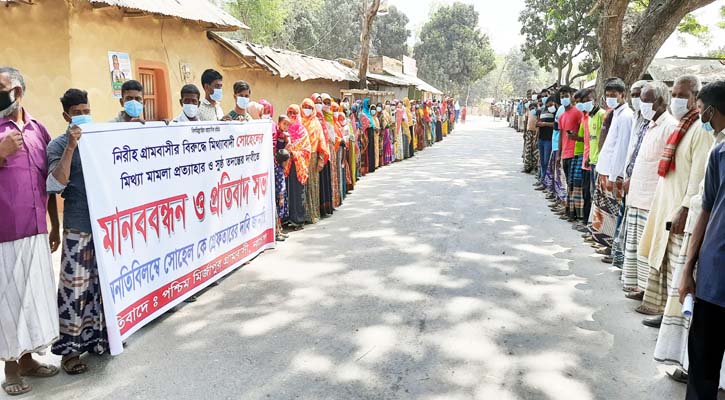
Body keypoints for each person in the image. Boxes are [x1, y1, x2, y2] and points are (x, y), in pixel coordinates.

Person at [0, 66, 60, 396]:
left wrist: (55, 223)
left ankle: (27, 361)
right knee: (7, 300)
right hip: (4, 233)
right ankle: (9, 368)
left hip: (36, 229)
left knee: (30, 298)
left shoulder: (38, 130)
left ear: (18, 92)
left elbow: (48, 181)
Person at [638, 75, 713, 318]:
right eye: (675, 95)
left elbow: (698, 175)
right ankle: (663, 311)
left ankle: (673, 317)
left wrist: (684, 208)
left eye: (682, 96)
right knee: (665, 262)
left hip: (682, 209)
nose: (677, 100)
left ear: (695, 99)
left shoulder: (700, 130)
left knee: (677, 269)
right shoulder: (683, 126)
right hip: (667, 204)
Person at [46, 89, 110, 374]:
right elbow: (55, 185)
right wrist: (71, 147)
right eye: (77, 112)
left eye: (87, 110)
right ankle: (69, 352)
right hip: (77, 224)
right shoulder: (57, 146)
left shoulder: (101, 138)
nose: (84, 116)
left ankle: (100, 340)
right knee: (74, 290)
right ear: (65, 116)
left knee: (101, 288)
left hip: (105, 224)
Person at [679, 79, 725, 399]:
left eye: (700, 111)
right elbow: (706, 210)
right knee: (703, 368)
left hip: (714, 274)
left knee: (703, 373)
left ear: (710, 110)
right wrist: (687, 269)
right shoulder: (719, 152)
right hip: (714, 277)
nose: (700, 118)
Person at [619, 82, 677, 301]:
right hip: (637, 194)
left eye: (646, 100)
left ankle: (649, 293)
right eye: (641, 99)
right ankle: (639, 287)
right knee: (636, 248)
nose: (642, 104)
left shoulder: (669, 126)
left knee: (649, 249)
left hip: (652, 199)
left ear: (661, 101)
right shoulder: (651, 124)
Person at [589, 77, 634, 254]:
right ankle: (604, 243)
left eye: (614, 95)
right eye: (607, 95)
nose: (610, 98)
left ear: (623, 95)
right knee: (604, 210)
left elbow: (622, 149)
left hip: (613, 174)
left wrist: (614, 177)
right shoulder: (615, 113)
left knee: (612, 212)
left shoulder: (626, 117)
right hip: (605, 169)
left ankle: (611, 248)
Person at [301, 98, 329, 224]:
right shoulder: (299, 121)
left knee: (313, 185)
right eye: (305, 106)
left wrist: (321, 159)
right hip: (301, 158)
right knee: (303, 185)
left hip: (313, 157)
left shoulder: (316, 122)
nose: (307, 109)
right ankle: (304, 214)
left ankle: (313, 213)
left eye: (310, 107)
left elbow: (321, 141)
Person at [284, 106, 311, 229]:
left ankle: (298, 219)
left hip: (298, 165)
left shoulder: (303, 131)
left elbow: (306, 149)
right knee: (286, 191)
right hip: (286, 165)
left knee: (297, 192)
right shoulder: (285, 130)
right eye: (290, 113)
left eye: (295, 113)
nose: (293, 116)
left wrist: (294, 153)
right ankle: (286, 218)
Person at [523, 100, 539, 174]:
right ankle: (527, 167)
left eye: (533, 108)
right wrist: (524, 132)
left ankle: (534, 167)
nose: (532, 109)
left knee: (535, 150)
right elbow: (526, 121)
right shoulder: (528, 112)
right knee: (528, 149)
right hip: (529, 132)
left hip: (536, 132)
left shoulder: (538, 113)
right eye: (531, 108)